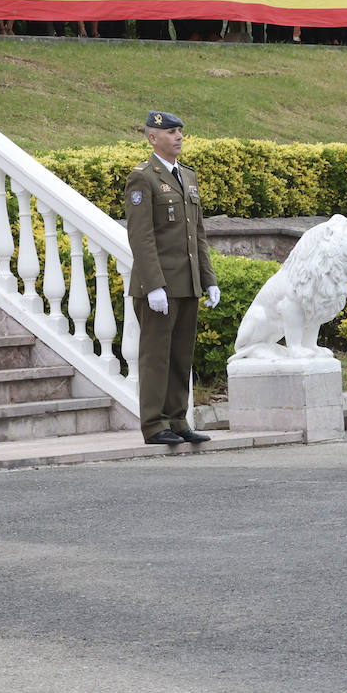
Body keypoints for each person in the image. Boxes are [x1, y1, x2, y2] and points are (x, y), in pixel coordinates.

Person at [124, 110, 219, 447]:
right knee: (156, 356)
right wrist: (153, 285)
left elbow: (198, 234)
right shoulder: (143, 178)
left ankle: (177, 419)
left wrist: (208, 279)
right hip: (159, 287)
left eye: (181, 131)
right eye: (172, 132)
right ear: (153, 138)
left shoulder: (188, 177)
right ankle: (153, 424)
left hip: (187, 283)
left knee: (180, 354)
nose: (179, 137)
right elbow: (141, 237)